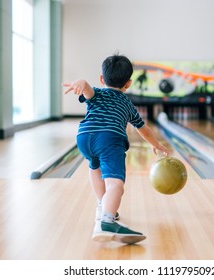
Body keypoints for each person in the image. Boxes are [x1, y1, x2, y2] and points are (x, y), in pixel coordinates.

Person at [62, 54, 169, 244]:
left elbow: (86, 89)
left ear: (102, 79)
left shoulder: (97, 93)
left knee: (94, 166)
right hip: (109, 139)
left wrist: (81, 82)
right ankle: (107, 221)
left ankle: (103, 205)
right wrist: (157, 145)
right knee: (115, 184)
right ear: (128, 84)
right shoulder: (127, 104)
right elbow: (143, 129)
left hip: (84, 137)